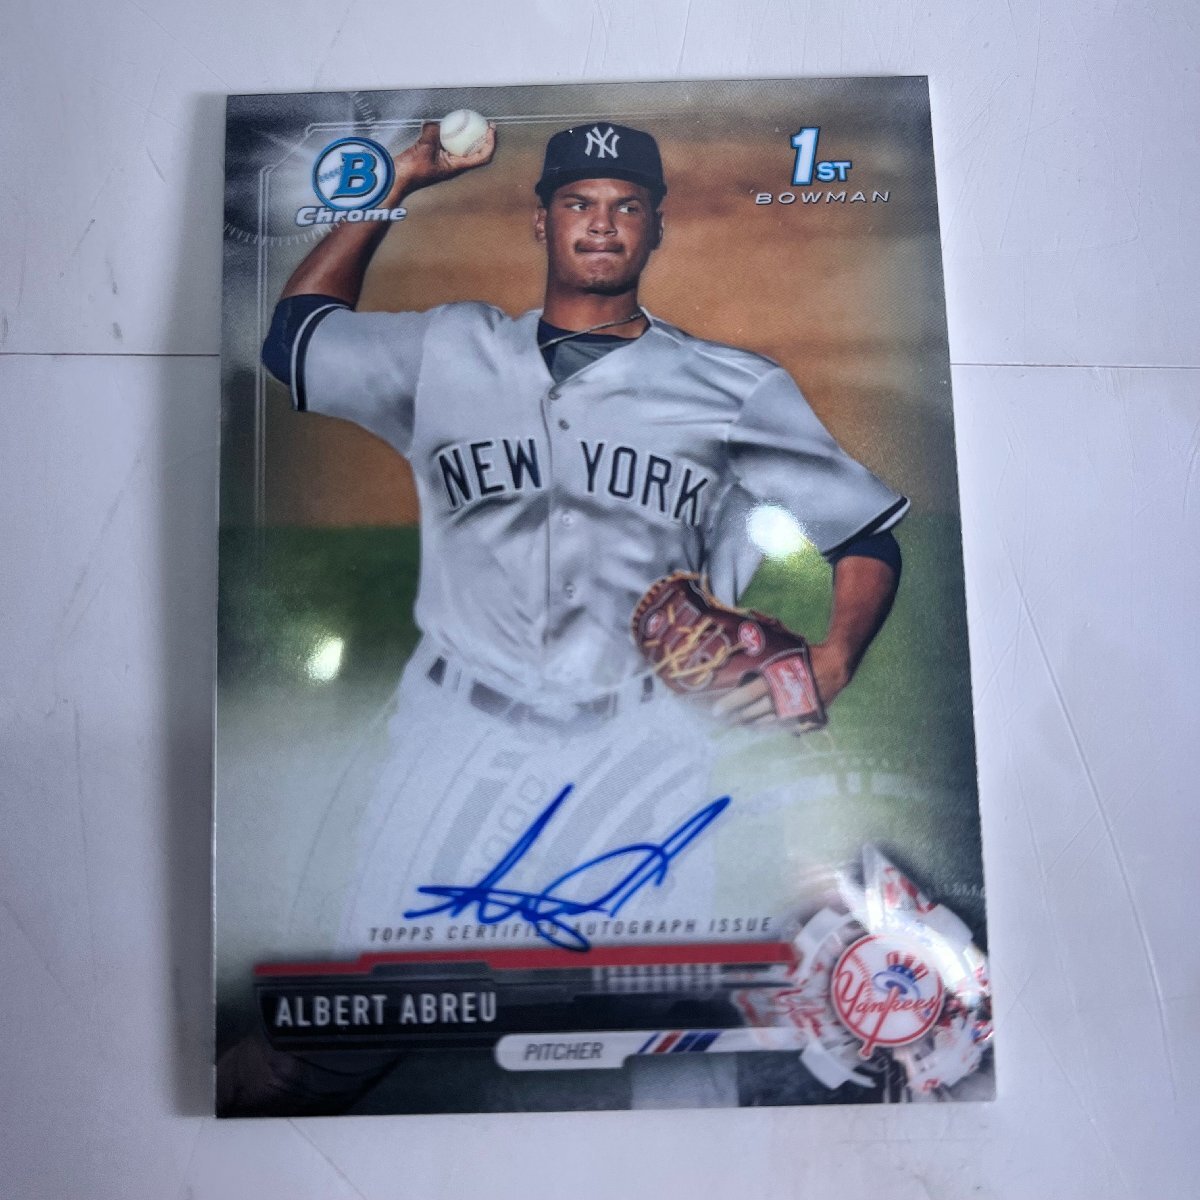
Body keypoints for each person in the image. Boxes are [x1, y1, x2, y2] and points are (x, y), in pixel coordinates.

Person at [260, 120, 907, 952]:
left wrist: (837, 656)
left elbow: (864, 535)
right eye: (578, 203)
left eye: (626, 206)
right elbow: (295, 339)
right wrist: (401, 178)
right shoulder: (446, 350)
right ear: (542, 221)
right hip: (455, 734)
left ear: (656, 227)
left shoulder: (735, 387)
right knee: (374, 1009)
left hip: (647, 747)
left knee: (652, 997)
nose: (601, 224)